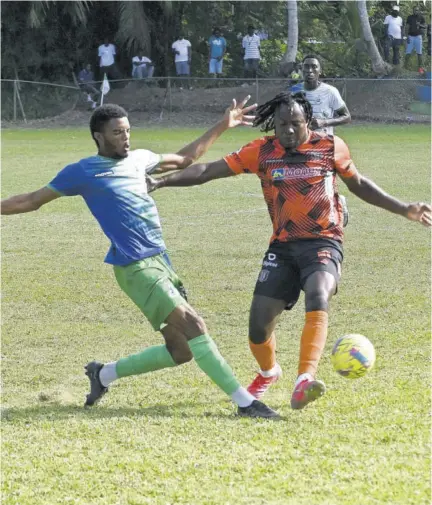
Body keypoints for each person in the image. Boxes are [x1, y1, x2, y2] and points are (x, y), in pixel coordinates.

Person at [146, 92, 431, 410]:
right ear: (274, 125)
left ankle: (304, 380)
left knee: (318, 293)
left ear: (307, 121)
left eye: (296, 123)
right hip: (282, 248)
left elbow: (359, 183)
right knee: (257, 328)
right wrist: (162, 182)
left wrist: (404, 208)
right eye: (282, 124)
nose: (289, 131)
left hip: (324, 241)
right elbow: (206, 171)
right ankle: (269, 372)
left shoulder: (329, 147)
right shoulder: (262, 151)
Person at [0, 99, 279, 420]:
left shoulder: (140, 159)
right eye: (117, 133)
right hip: (135, 267)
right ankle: (246, 404)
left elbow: (187, 158)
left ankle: (103, 374)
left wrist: (223, 123)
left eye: (128, 131)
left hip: (161, 262)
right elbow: (31, 200)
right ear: (98, 137)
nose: (126, 138)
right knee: (194, 324)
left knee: (182, 351)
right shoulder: (81, 172)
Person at [404, 5, 426, 73]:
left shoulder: (421, 17)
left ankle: (420, 69)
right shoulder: (409, 17)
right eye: (414, 10)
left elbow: (425, 26)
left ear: (418, 11)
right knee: (408, 52)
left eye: (417, 10)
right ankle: (405, 68)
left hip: (418, 37)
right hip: (410, 37)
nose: (415, 11)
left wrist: (420, 25)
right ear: (413, 10)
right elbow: (407, 27)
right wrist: (406, 37)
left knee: (419, 53)